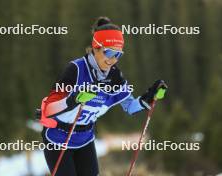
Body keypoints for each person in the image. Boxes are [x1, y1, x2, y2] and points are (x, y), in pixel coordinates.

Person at [38, 16, 167, 176]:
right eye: (109, 52)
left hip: (84, 138)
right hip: (58, 138)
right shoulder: (76, 69)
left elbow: (130, 107)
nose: (113, 60)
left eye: (118, 54)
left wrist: (147, 99)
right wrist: (74, 99)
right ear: (96, 48)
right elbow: (49, 108)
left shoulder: (115, 77)